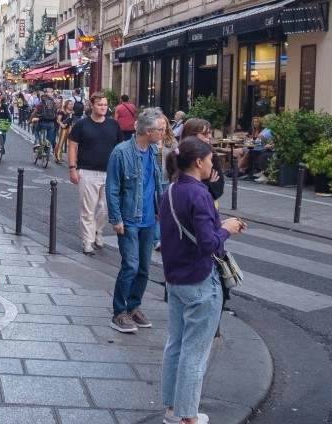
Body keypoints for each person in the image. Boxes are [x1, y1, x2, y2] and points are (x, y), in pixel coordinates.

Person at [160, 138, 247, 424]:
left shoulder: (171, 190)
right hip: (199, 278)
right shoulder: (200, 195)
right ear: (198, 162)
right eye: (211, 160)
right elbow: (209, 243)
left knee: (176, 344)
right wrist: (228, 229)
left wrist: (218, 228)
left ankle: (173, 409)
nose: (213, 165)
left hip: (175, 276)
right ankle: (188, 416)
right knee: (195, 351)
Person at [106, 107, 167, 333]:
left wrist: (163, 212)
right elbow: (112, 188)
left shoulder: (154, 151)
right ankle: (119, 312)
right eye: (160, 129)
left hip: (150, 220)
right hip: (130, 218)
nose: (163, 133)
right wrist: (116, 218)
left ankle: (134, 307)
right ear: (148, 131)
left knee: (144, 268)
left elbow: (158, 184)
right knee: (130, 265)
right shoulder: (121, 152)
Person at [68, 93, 122, 256]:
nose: (103, 107)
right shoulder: (82, 125)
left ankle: (98, 231)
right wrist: (72, 168)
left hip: (110, 173)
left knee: (105, 209)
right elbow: (72, 146)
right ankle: (88, 241)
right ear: (92, 105)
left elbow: (120, 148)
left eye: (105, 105)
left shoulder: (114, 125)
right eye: (100, 105)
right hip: (87, 171)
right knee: (88, 209)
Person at [180, 118, 225, 200]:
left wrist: (208, 185)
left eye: (210, 133)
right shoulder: (179, 153)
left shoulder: (212, 154)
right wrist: (208, 184)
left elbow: (219, 186)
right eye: (205, 134)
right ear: (191, 135)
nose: (210, 136)